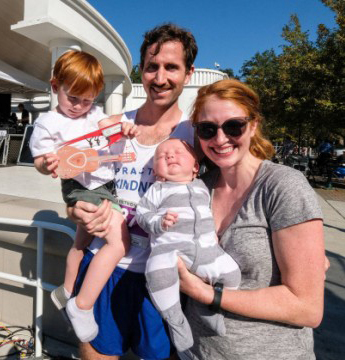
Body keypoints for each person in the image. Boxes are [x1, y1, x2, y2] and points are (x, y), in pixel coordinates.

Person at [67, 23, 198, 359]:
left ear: (189, 73)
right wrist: (75, 209)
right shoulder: (111, 125)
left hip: (162, 280)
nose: (160, 77)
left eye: (172, 67)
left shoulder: (198, 137)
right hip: (104, 268)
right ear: (141, 70)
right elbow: (73, 174)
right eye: (152, 67)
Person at [177, 79, 325, 359]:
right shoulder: (198, 187)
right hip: (196, 352)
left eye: (234, 126)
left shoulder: (282, 186)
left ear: (254, 125)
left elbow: (307, 307)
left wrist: (207, 294)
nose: (220, 139)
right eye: (208, 129)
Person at [29, 50, 137, 342]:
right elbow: (39, 158)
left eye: (87, 100)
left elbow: (107, 128)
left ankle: (64, 291)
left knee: (80, 243)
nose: (78, 106)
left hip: (105, 184)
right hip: (80, 187)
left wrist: (122, 128)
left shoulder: (94, 114)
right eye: (72, 98)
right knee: (119, 242)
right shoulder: (49, 122)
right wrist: (46, 164)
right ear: (55, 87)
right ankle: (82, 304)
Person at [135, 138, 241, 352]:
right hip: (170, 250)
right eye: (162, 156)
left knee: (232, 274)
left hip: (206, 249)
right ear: (156, 171)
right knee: (157, 274)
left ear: (195, 166)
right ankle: (176, 322)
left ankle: (209, 310)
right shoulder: (158, 189)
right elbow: (142, 215)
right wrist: (159, 222)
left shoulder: (202, 185)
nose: (170, 156)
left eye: (177, 152)